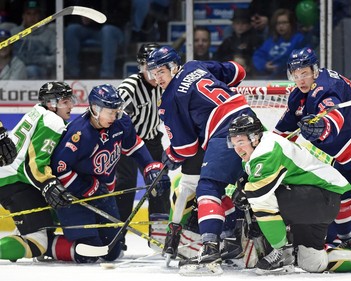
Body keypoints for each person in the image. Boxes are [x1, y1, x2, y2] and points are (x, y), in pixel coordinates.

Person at [146, 45, 257, 273]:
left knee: (207, 187)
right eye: (154, 74)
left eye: (161, 72)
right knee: (246, 187)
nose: (158, 79)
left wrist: (171, 155)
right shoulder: (195, 65)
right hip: (250, 120)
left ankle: (210, 247)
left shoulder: (168, 100)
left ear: (174, 67)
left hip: (226, 130)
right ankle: (243, 238)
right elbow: (238, 72)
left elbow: (186, 148)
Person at [47, 84, 170, 263]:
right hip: (74, 197)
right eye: (110, 111)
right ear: (95, 109)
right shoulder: (78, 133)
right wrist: (88, 187)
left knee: (113, 250)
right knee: (87, 252)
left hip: (103, 193)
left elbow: (134, 145)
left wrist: (149, 166)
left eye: (116, 110)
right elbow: (59, 169)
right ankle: (45, 243)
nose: (115, 115)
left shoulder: (121, 121)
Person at [228, 114, 351, 274]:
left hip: (320, 199)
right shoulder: (260, 147)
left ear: (255, 138)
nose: (237, 148)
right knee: (311, 264)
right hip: (317, 202)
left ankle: (281, 252)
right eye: (233, 143)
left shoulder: (267, 150)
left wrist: (244, 192)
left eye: (241, 142)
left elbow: (258, 192)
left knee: (259, 199)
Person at [274, 47, 351, 246]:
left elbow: (333, 116)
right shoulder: (297, 97)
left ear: (314, 70)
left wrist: (322, 128)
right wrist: (263, 152)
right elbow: (283, 133)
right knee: (338, 191)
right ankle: (347, 242)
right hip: (347, 153)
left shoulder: (325, 87)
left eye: (304, 73)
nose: (301, 79)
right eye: (296, 74)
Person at [0, 81, 76, 261]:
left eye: (70, 100)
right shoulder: (53, 121)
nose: (71, 105)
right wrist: (48, 184)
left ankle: (23, 230)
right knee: (39, 242)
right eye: (65, 101)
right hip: (13, 182)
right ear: (51, 103)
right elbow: (33, 165)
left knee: (48, 220)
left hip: (11, 178)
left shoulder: (38, 111)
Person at [115, 42, 171, 250]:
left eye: (158, 67)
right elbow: (116, 121)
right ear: (140, 66)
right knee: (125, 186)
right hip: (127, 143)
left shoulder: (165, 84)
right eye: (149, 66)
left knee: (160, 184)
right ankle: (117, 235)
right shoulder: (129, 88)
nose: (154, 72)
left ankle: (159, 236)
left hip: (152, 140)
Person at [64, 0, 131, 79]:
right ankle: (72, 73)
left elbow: (123, 17)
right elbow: (72, 15)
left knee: (107, 30)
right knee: (72, 29)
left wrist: (97, 18)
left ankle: (107, 75)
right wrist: (82, 19)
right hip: (90, 29)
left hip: (114, 31)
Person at [252, 9, 305, 79]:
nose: (281, 26)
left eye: (284, 22)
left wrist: (280, 67)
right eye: (278, 23)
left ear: (291, 23)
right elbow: (258, 55)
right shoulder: (271, 40)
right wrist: (264, 65)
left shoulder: (299, 39)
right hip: (269, 78)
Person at [10, 1, 56, 79]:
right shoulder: (14, 33)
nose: (32, 17)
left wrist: (40, 59)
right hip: (16, 67)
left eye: (35, 13)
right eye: (29, 14)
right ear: (23, 16)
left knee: (31, 70)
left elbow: (60, 58)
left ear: (40, 16)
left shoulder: (49, 34)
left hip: (40, 70)